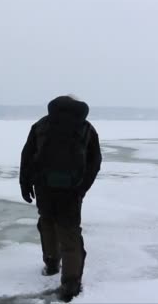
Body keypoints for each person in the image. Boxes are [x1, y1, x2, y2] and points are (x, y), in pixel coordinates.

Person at [19, 95, 102, 302]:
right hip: (71, 190)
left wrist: (25, 183)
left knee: (47, 222)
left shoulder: (41, 125)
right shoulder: (86, 128)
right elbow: (95, 160)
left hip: (44, 187)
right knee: (69, 231)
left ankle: (52, 263)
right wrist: (82, 187)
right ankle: (71, 283)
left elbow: (27, 156)